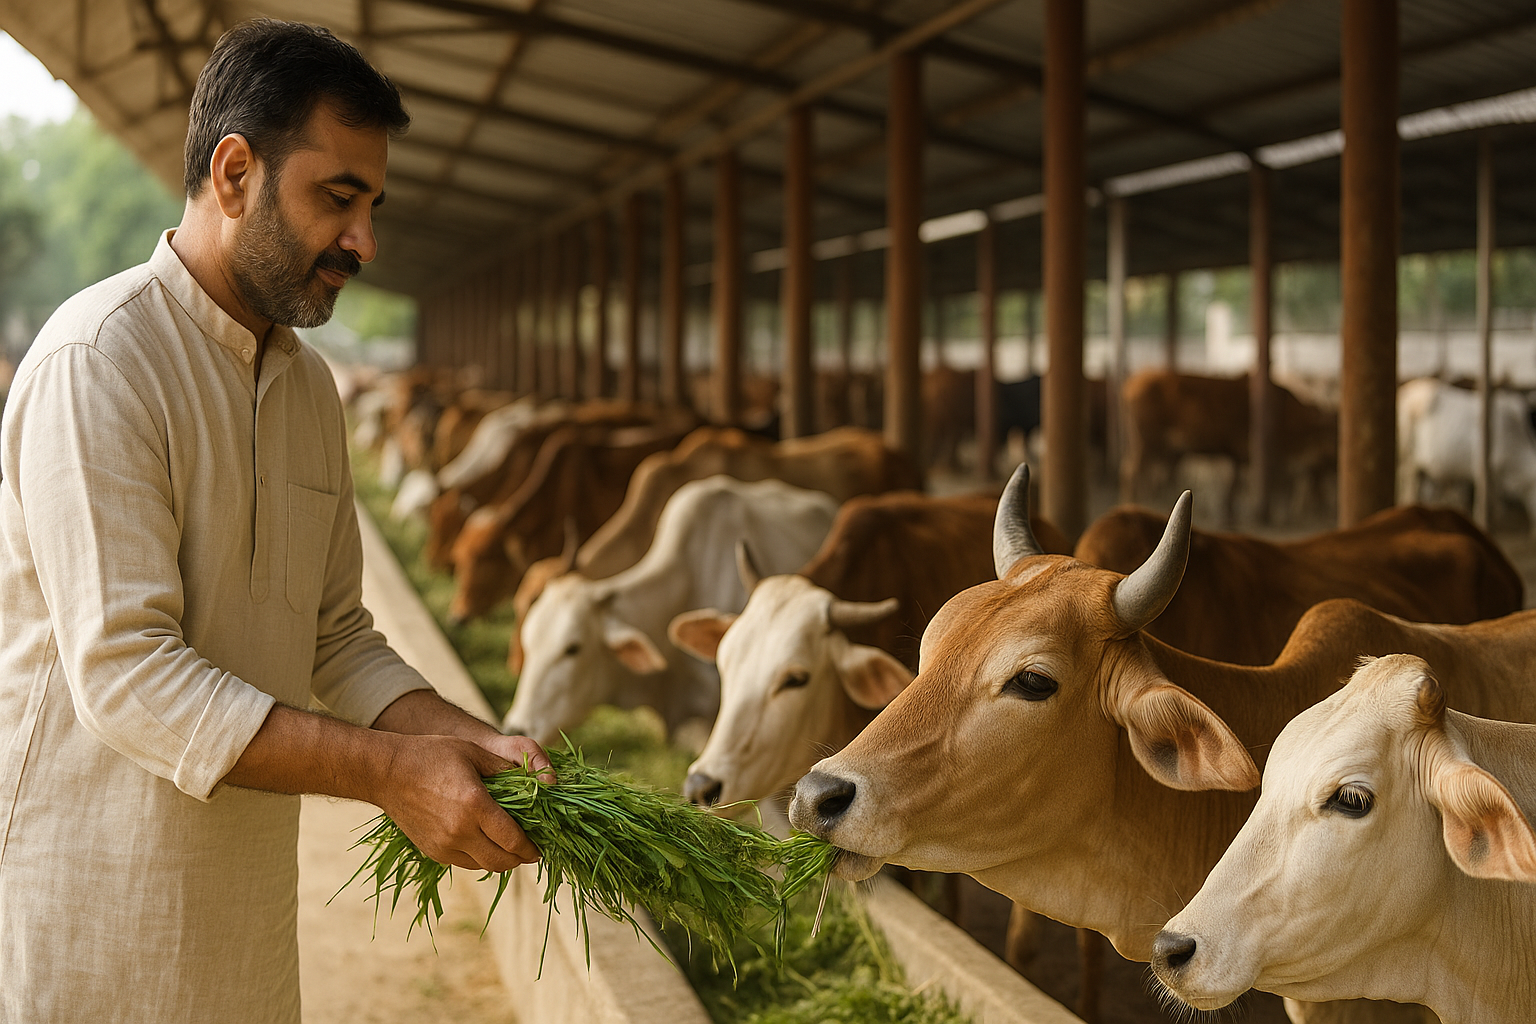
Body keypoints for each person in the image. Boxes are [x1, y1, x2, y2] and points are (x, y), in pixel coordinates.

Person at [0, 20, 550, 1024]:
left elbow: (336, 637)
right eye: (338, 198)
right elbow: (127, 672)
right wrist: (391, 774)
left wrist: (472, 742)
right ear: (235, 173)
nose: (364, 242)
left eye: (372, 206)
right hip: (91, 925)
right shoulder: (101, 363)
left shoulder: (307, 390)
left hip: (242, 932)